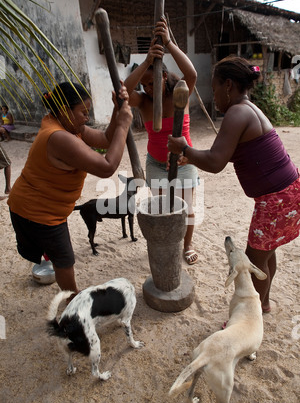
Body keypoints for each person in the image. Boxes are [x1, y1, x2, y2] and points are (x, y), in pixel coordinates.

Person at [168, 55, 300, 313]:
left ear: (228, 85)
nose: (214, 94)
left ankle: (255, 312)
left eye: (215, 87)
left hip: (277, 199)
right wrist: (191, 155)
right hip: (287, 192)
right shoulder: (249, 109)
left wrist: (185, 147)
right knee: (266, 252)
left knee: (254, 259)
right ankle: (264, 304)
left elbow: (216, 162)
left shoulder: (237, 112)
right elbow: (228, 156)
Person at [8, 81, 132, 297]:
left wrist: (116, 111)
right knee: (65, 259)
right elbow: (107, 167)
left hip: (44, 203)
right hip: (38, 210)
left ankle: (52, 265)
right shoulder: (59, 137)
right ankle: (73, 298)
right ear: (66, 111)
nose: (87, 117)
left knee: (57, 253)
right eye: (83, 112)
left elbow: (105, 139)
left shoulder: (67, 125)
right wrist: (123, 126)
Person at [124, 16, 199, 265]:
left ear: (164, 76)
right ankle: (166, 245)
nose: (147, 88)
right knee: (163, 208)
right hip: (156, 163)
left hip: (185, 161)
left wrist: (168, 43)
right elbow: (122, 91)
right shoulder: (144, 101)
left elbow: (192, 73)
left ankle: (186, 246)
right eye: (144, 84)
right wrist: (146, 61)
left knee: (187, 210)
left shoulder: (181, 93)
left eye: (151, 81)